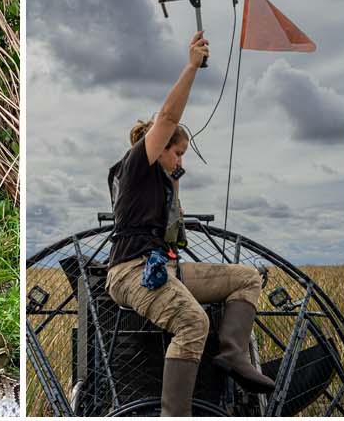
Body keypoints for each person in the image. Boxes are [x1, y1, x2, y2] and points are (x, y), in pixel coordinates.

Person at [104, 31, 275, 416]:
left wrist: (175, 187)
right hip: (132, 271)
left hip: (163, 266)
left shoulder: (162, 184)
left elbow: (171, 235)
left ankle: (233, 355)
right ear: (158, 146)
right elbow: (167, 117)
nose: (181, 159)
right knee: (192, 323)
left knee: (247, 277)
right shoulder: (136, 165)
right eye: (177, 152)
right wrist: (192, 66)